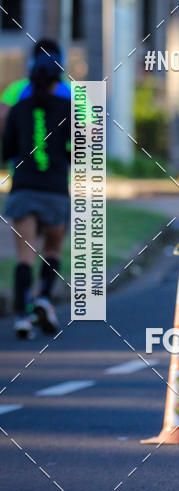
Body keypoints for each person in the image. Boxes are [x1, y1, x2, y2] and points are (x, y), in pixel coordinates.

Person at [2, 47, 70, 339]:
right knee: (52, 250)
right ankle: (43, 298)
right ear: (59, 78)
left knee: (24, 256)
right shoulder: (68, 108)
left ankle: (21, 317)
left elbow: (6, 150)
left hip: (24, 188)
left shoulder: (19, 107)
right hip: (55, 190)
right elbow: (81, 150)